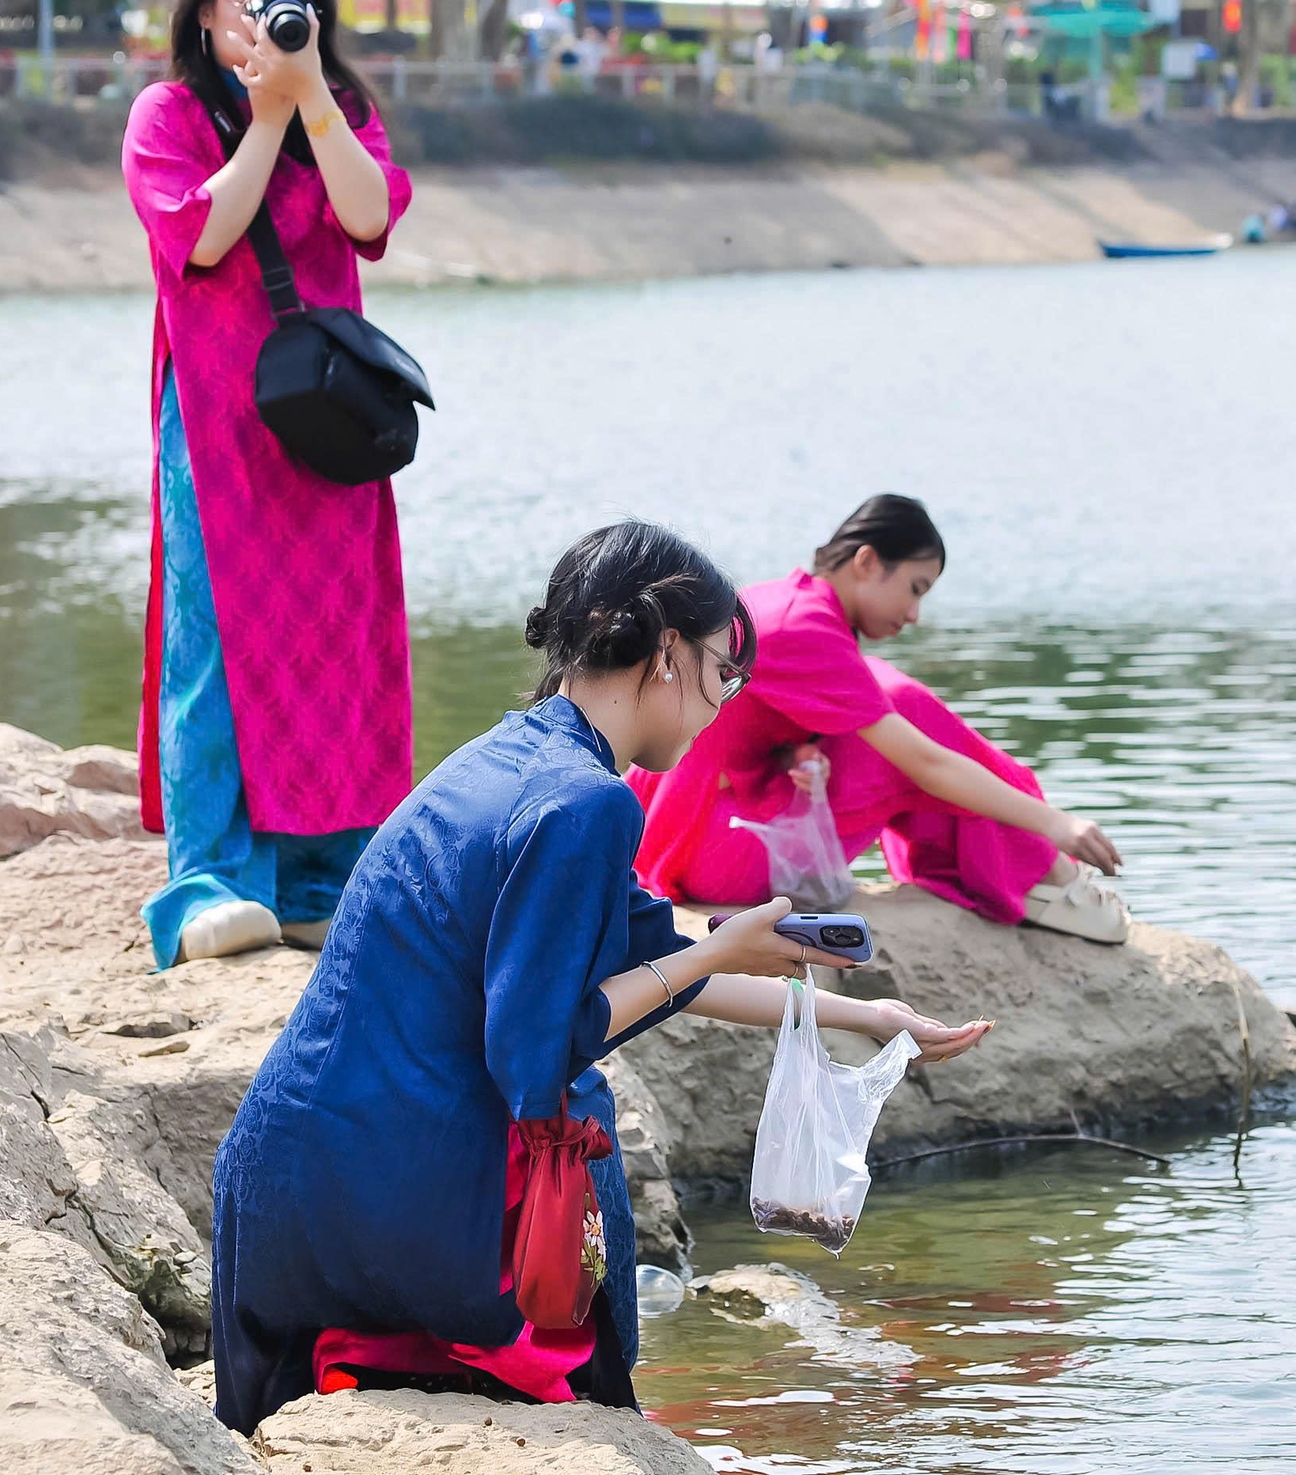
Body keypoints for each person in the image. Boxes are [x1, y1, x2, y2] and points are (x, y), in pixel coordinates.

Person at [209, 521, 991, 1431]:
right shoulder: (588, 801)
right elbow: (538, 1053)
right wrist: (713, 951)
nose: (727, 702)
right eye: (724, 671)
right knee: (589, 1184)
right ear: (666, 653)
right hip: (390, 1193)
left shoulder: (521, 753)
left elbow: (649, 953)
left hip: (293, 1180)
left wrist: (859, 1015)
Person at [121, 0, 414, 969]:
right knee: (213, 644)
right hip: (214, 417)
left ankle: (322, 878)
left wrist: (311, 104)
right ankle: (209, 880)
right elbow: (199, 234)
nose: (274, 17)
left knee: (338, 638)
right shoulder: (168, 113)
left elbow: (369, 210)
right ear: (205, 13)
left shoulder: (346, 110)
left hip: (327, 419)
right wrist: (260, 117)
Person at [629, 496, 1130, 943]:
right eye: (915, 588)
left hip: (684, 828)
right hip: (702, 848)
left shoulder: (790, 603)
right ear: (867, 561)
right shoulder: (804, 625)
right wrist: (1055, 823)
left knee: (884, 702)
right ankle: (1042, 875)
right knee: (902, 720)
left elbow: (731, 733)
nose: (914, 614)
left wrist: (798, 756)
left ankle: (1022, 871)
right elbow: (927, 763)